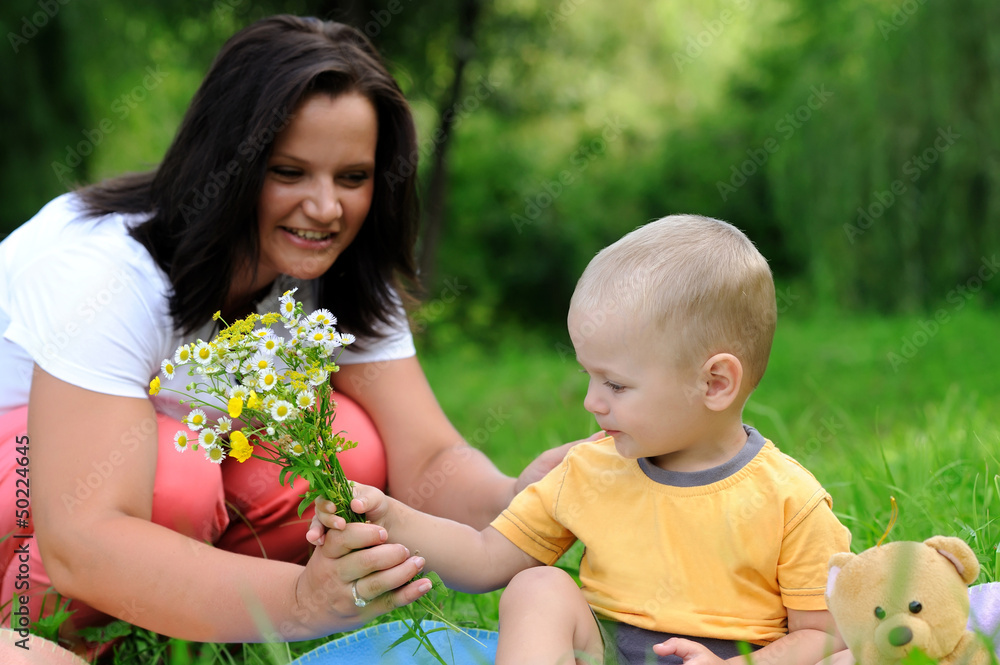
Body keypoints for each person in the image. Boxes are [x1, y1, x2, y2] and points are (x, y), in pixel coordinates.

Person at [0, 14, 573, 653]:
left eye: (352, 178)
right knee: (181, 475)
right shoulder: (104, 270)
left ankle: (198, 619)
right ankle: (57, 642)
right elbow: (85, 536)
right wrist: (302, 605)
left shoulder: (338, 270)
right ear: (226, 163)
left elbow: (428, 462)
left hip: (135, 505)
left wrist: (521, 501)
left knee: (348, 447)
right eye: (289, 172)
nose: (327, 209)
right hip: (36, 501)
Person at [309, 214, 854, 664]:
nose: (593, 401)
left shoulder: (791, 502)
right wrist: (390, 516)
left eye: (616, 384)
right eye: (589, 376)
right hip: (604, 654)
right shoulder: (588, 470)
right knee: (537, 586)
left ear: (714, 383)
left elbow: (826, 634)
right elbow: (483, 559)